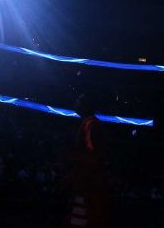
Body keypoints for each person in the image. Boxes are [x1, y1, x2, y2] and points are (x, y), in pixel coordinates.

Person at [64, 94, 109, 228]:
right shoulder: (90, 123)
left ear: (85, 105)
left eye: (78, 100)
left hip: (86, 185)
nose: (75, 102)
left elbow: (92, 155)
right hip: (87, 182)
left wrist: (75, 176)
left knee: (81, 218)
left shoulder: (90, 124)